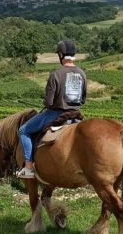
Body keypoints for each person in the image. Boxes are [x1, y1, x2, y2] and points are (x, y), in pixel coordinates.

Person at [15, 40, 87, 179]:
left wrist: (48, 103)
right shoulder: (82, 74)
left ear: (61, 55)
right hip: (76, 114)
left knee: (23, 131)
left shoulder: (56, 74)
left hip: (56, 113)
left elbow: (48, 102)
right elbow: (83, 99)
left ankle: (28, 168)